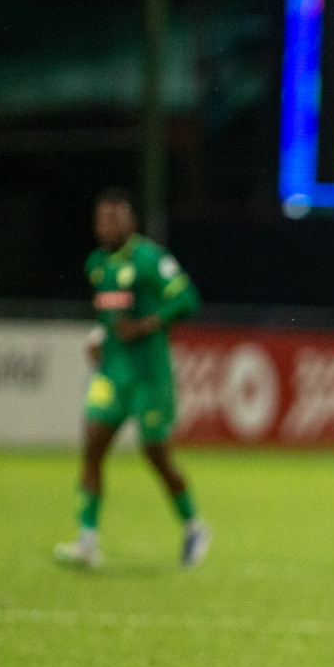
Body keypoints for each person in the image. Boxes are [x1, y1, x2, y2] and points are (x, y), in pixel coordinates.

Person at [54, 188, 210, 569]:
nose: (109, 226)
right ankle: (87, 541)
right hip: (112, 375)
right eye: (103, 219)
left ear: (131, 221)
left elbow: (188, 299)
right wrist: (97, 338)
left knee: (154, 453)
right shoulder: (96, 264)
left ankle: (194, 526)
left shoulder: (149, 259)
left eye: (116, 218)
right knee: (92, 446)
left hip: (149, 376)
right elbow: (109, 319)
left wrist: (147, 325)